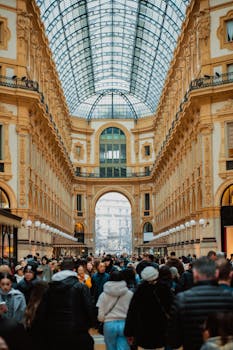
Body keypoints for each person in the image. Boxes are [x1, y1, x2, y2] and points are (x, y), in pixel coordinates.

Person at [168, 257, 233, 350]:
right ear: (217, 273)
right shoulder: (230, 295)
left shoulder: (182, 299)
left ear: (195, 274)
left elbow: (174, 340)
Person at [33, 257, 94, 350]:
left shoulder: (50, 288)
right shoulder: (81, 287)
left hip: (55, 333)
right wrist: (88, 325)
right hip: (77, 331)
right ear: (74, 270)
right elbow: (89, 308)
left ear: (60, 270)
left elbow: (42, 312)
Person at [125, 266, 168, 349]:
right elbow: (171, 308)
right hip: (161, 327)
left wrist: (129, 331)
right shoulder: (164, 288)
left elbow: (132, 311)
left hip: (143, 328)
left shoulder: (140, 290)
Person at [97, 271, 133, 350]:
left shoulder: (103, 295)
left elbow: (100, 314)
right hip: (125, 324)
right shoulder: (129, 294)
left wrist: (102, 319)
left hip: (109, 324)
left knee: (110, 347)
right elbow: (132, 312)